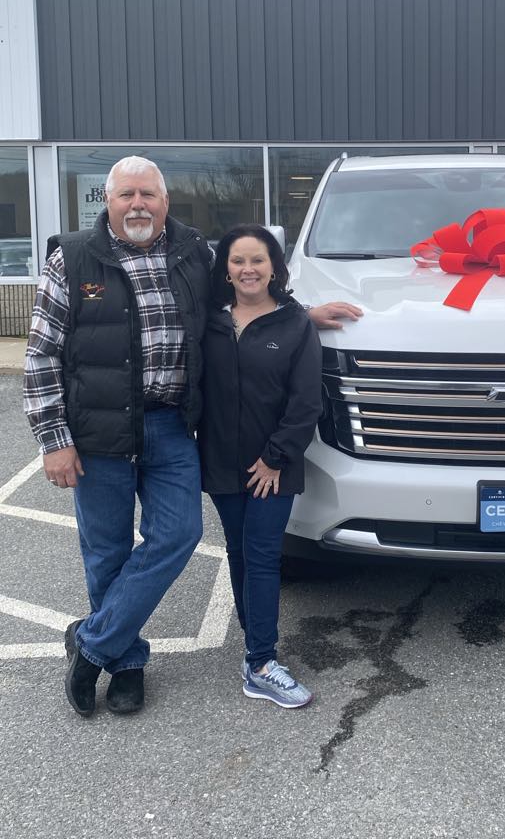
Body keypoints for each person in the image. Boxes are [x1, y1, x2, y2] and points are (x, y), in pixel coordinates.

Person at [23, 155, 361, 718]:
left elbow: (249, 283)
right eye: (125, 195)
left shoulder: (193, 254)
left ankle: (90, 643)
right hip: (97, 433)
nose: (137, 205)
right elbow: (40, 354)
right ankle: (125, 662)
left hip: (171, 424)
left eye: (147, 196)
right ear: (106, 200)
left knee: (176, 536)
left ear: (165, 201)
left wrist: (302, 313)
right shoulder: (72, 259)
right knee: (106, 551)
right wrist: (53, 437)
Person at [198, 225, 321, 708]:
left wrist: (275, 458)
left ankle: (262, 663)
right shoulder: (210, 321)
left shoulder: (294, 323)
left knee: (264, 554)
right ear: (225, 270)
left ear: (274, 266)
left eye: (257, 260)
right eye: (237, 261)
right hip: (221, 463)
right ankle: (255, 644)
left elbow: (307, 401)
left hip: (273, 465)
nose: (248, 270)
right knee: (239, 552)